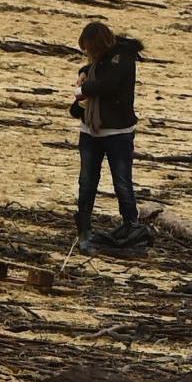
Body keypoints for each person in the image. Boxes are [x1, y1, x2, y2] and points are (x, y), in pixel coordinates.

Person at [68, 21, 145, 250]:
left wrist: (82, 91)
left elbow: (109, 84)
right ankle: (83, 229)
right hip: (90, 131)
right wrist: (83, 72)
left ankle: (132, 227)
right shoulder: (102, 59)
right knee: (87, 182)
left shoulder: (123, 59)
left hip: (118, 132)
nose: (89, 55)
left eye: (90, 50)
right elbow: (94, 70)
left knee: (122, 183)